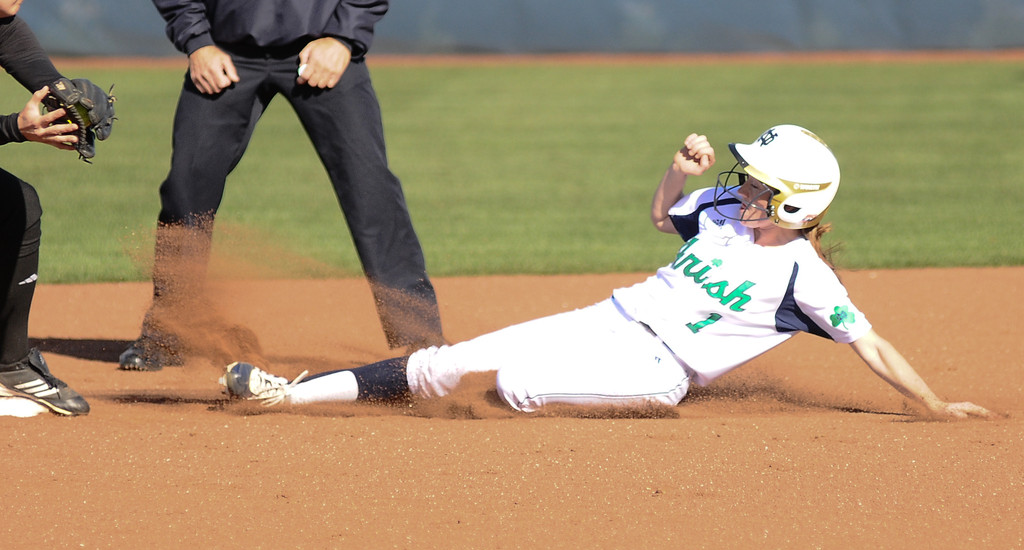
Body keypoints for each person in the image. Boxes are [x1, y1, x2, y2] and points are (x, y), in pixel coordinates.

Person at [221, 124, 994, 421]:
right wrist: (673, 170)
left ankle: (589, 398)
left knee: (518, 386)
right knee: (445, 363)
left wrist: (929, 403)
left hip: (662, 369)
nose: (744, 183)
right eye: (749, 174)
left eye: (763, 183)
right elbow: (664, 217)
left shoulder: (804, 279)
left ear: (795, 205)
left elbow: (871, 344)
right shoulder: (723, 206)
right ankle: (287, 395)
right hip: (612, 317)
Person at [120, 0, 444, 371]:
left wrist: (342, 36)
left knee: (370, 190)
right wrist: (198, 41)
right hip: (225, 54)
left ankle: (422, 340)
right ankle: (170, 330)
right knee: (186, 187)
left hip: (321, 51)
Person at [0, 1, 90, 416]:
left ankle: (11, 368)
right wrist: (13, 129)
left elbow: (36, 70)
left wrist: (67, 100)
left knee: (15, 203)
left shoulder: (3, 24)